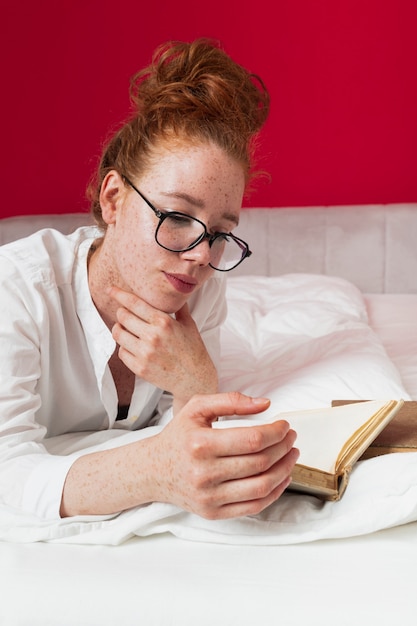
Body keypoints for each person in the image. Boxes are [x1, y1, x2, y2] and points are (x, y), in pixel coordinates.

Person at [0, 38, 299, 522]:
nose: (202, 255)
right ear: (113, 199)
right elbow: (5, 474)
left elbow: (190, 437)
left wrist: (195, 383)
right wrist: (153, 471)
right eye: (178, 216)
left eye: (221, 233)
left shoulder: (202, 290)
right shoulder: (15, 291)